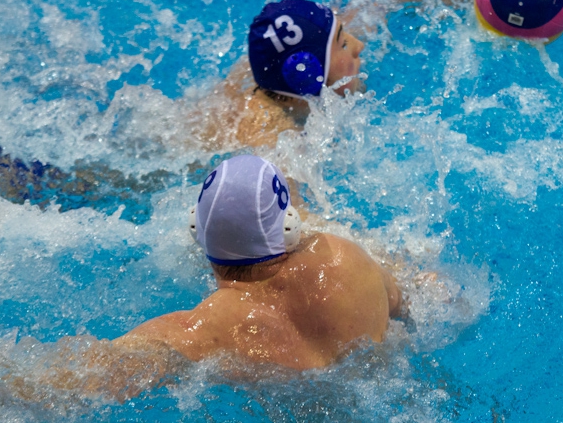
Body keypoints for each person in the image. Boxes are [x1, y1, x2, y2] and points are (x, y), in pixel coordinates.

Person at [114, 154, 401, 370]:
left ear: (196, 230)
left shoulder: (203, 331)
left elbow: (87, 377)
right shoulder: (348, 259)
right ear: (290, 226)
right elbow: (410, 299)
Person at [198, 0, 365, 150]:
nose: (359, 46)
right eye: (343, 44)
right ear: (306, 75)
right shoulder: (272, 142)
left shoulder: (270, 70)